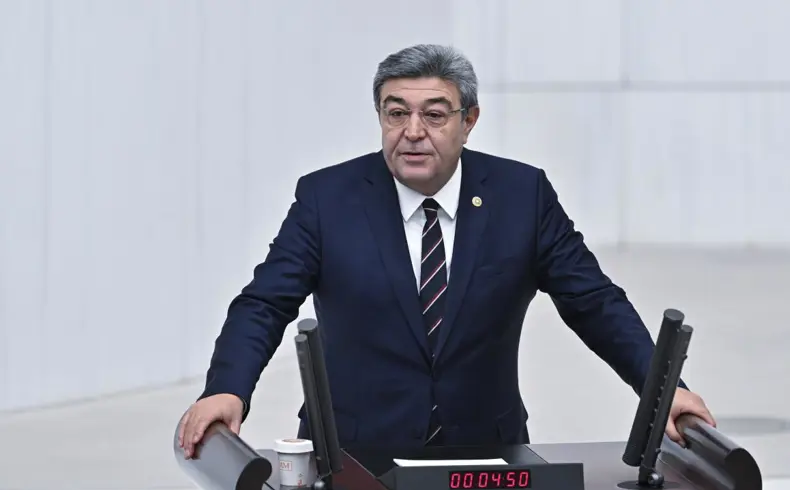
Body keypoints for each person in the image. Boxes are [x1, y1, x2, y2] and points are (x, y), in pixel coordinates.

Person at [178, 44, 715, 458]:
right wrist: (227, 389)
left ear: (469, 120)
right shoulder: (327, 199)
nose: (413, 132)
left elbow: (593, 301)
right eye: (396, 113)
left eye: (434, 115)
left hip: (487, 454)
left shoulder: (521, 196)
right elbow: (264, 302)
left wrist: (661, 388)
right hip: (353, 456)